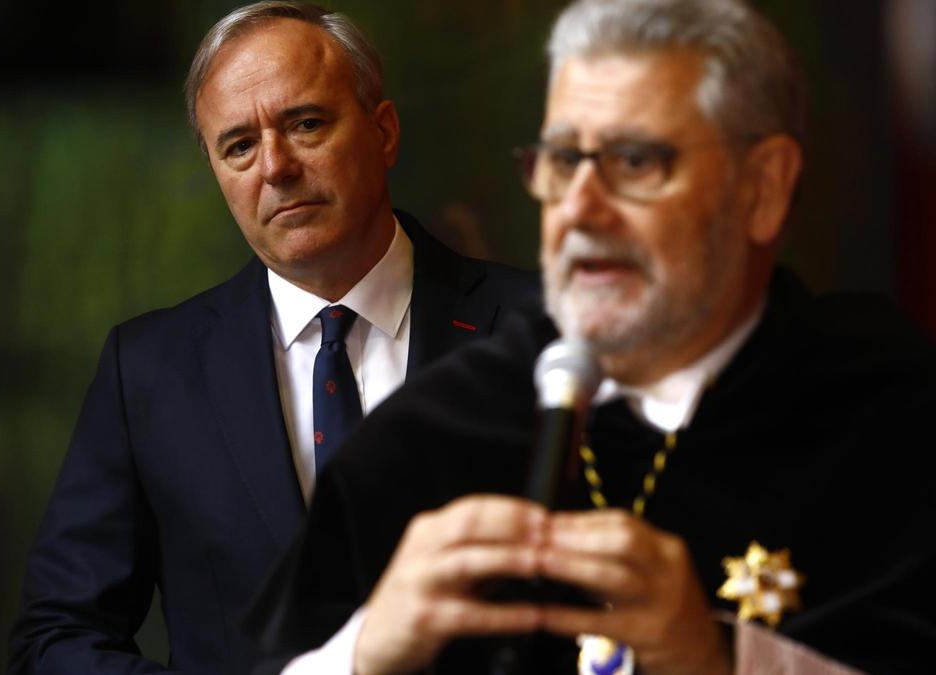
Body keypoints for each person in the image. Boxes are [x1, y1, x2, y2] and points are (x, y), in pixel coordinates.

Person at [247, 0, 936, 673]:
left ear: (762, 187)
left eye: (635, 162)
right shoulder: (438, 430)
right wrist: (366, 655)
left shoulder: (891, 416)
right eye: (562, 158)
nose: (578, 205)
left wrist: (721, 661)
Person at [7, 2, 542, 673]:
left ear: (383, 131)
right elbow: (56, 640)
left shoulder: (543, 330)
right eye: (239, 146)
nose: (276, 167)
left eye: (307, 124)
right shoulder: (149, 370)